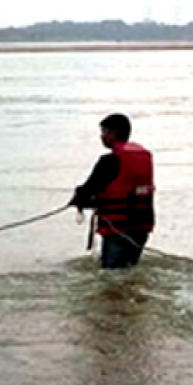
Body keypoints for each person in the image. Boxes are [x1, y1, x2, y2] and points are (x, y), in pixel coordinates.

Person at [69, 113, 155, 269]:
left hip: (117, 229)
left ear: (113, 132)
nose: (101, 137)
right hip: (141, 227)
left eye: (104, 132)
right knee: (129, 270)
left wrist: (78, 198)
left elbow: (89, 189)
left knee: (112, 273)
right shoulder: (143, 157)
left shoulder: (109, 161)